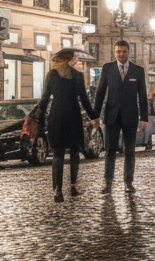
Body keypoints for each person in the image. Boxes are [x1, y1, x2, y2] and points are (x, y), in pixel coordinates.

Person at [39, 49, 98, 201]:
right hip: (73, 116)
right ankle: (72, 186)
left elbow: (45, 99)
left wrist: (40, 120)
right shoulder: (77, 76)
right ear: (70, 59)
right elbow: (84, 99)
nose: (76, 58)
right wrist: (93, 116)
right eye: (75, 56)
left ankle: (57, 190)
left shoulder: (52, 75)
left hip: (56, 116)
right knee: (74, 152)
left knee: (57, 154)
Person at [91, 39, 148, 193]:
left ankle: (128, 182)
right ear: (114, 52)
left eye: (124, 51)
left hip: (130, 116)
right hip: (112, 115)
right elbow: (100, 92)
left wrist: (144, 117)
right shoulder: (107, 68)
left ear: (128, 52)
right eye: (118, 51)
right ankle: (107, 182)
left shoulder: (138, 71)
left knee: (130, 151)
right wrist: (94, 115)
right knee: (109, 150)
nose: (121, 54)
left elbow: (142, 95)